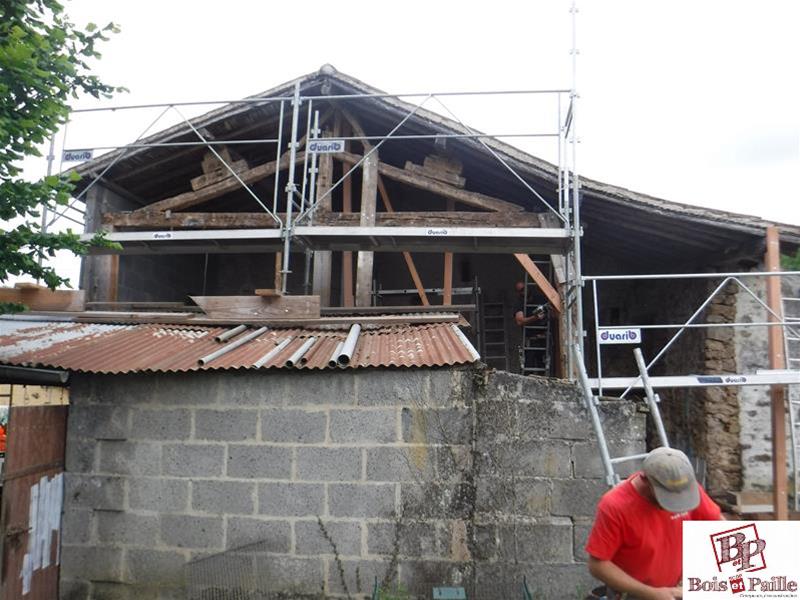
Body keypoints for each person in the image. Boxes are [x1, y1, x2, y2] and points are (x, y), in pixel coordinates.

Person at [585, 447, 723, 600]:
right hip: (634, 595)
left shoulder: (682, 488)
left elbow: (721, 529)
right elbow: (597, 565)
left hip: (677, 589)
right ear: (645, 480)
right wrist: (651, 594)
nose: (676, 502)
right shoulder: (615, 505)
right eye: (668, 497)